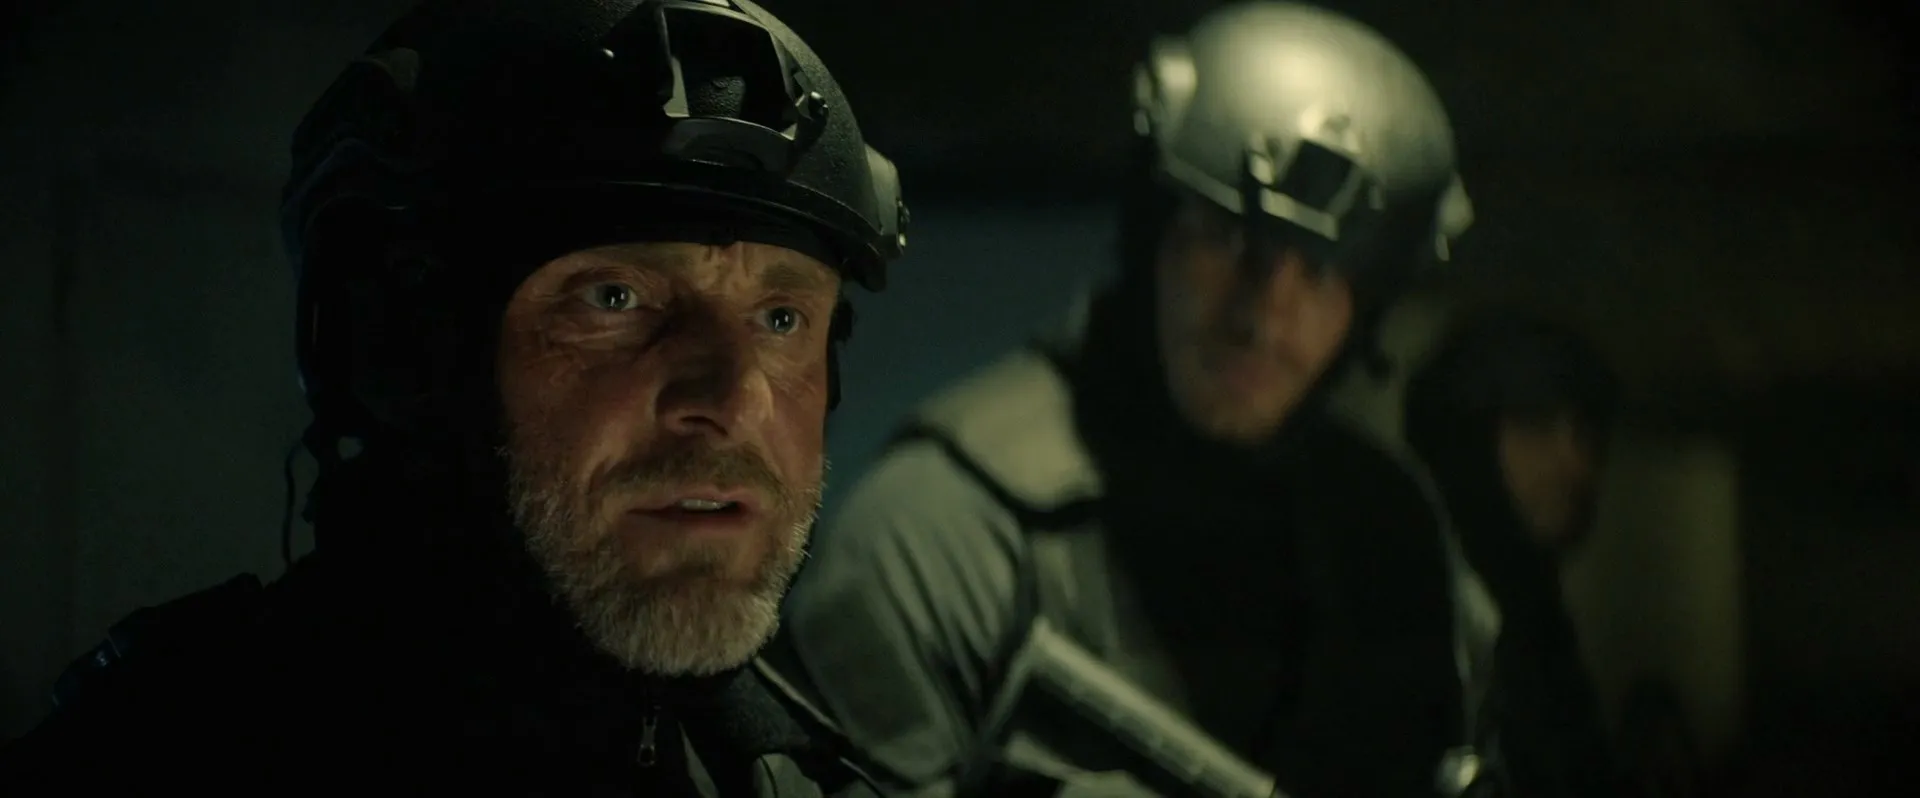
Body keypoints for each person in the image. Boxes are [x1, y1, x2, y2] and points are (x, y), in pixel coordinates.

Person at [0, 0, 908, 794]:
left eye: (782, 319)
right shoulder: (158, 759)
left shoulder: (782, 774)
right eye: (614, 298)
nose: (736, 401)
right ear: (402, 352)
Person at [764, 3, 1487, 797]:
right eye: (1227, 240)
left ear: (1364, 314)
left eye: (1320, 274)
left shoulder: (1387, 535)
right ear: (1155, 238)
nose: (1262, 316)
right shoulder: (941, 535)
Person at [1402, 310, 1628, 798]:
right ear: (1469, 435)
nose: (1574, 463)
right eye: (1536, 425)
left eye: (1587, 434)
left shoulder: (1539, 624)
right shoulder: (1415, 617)